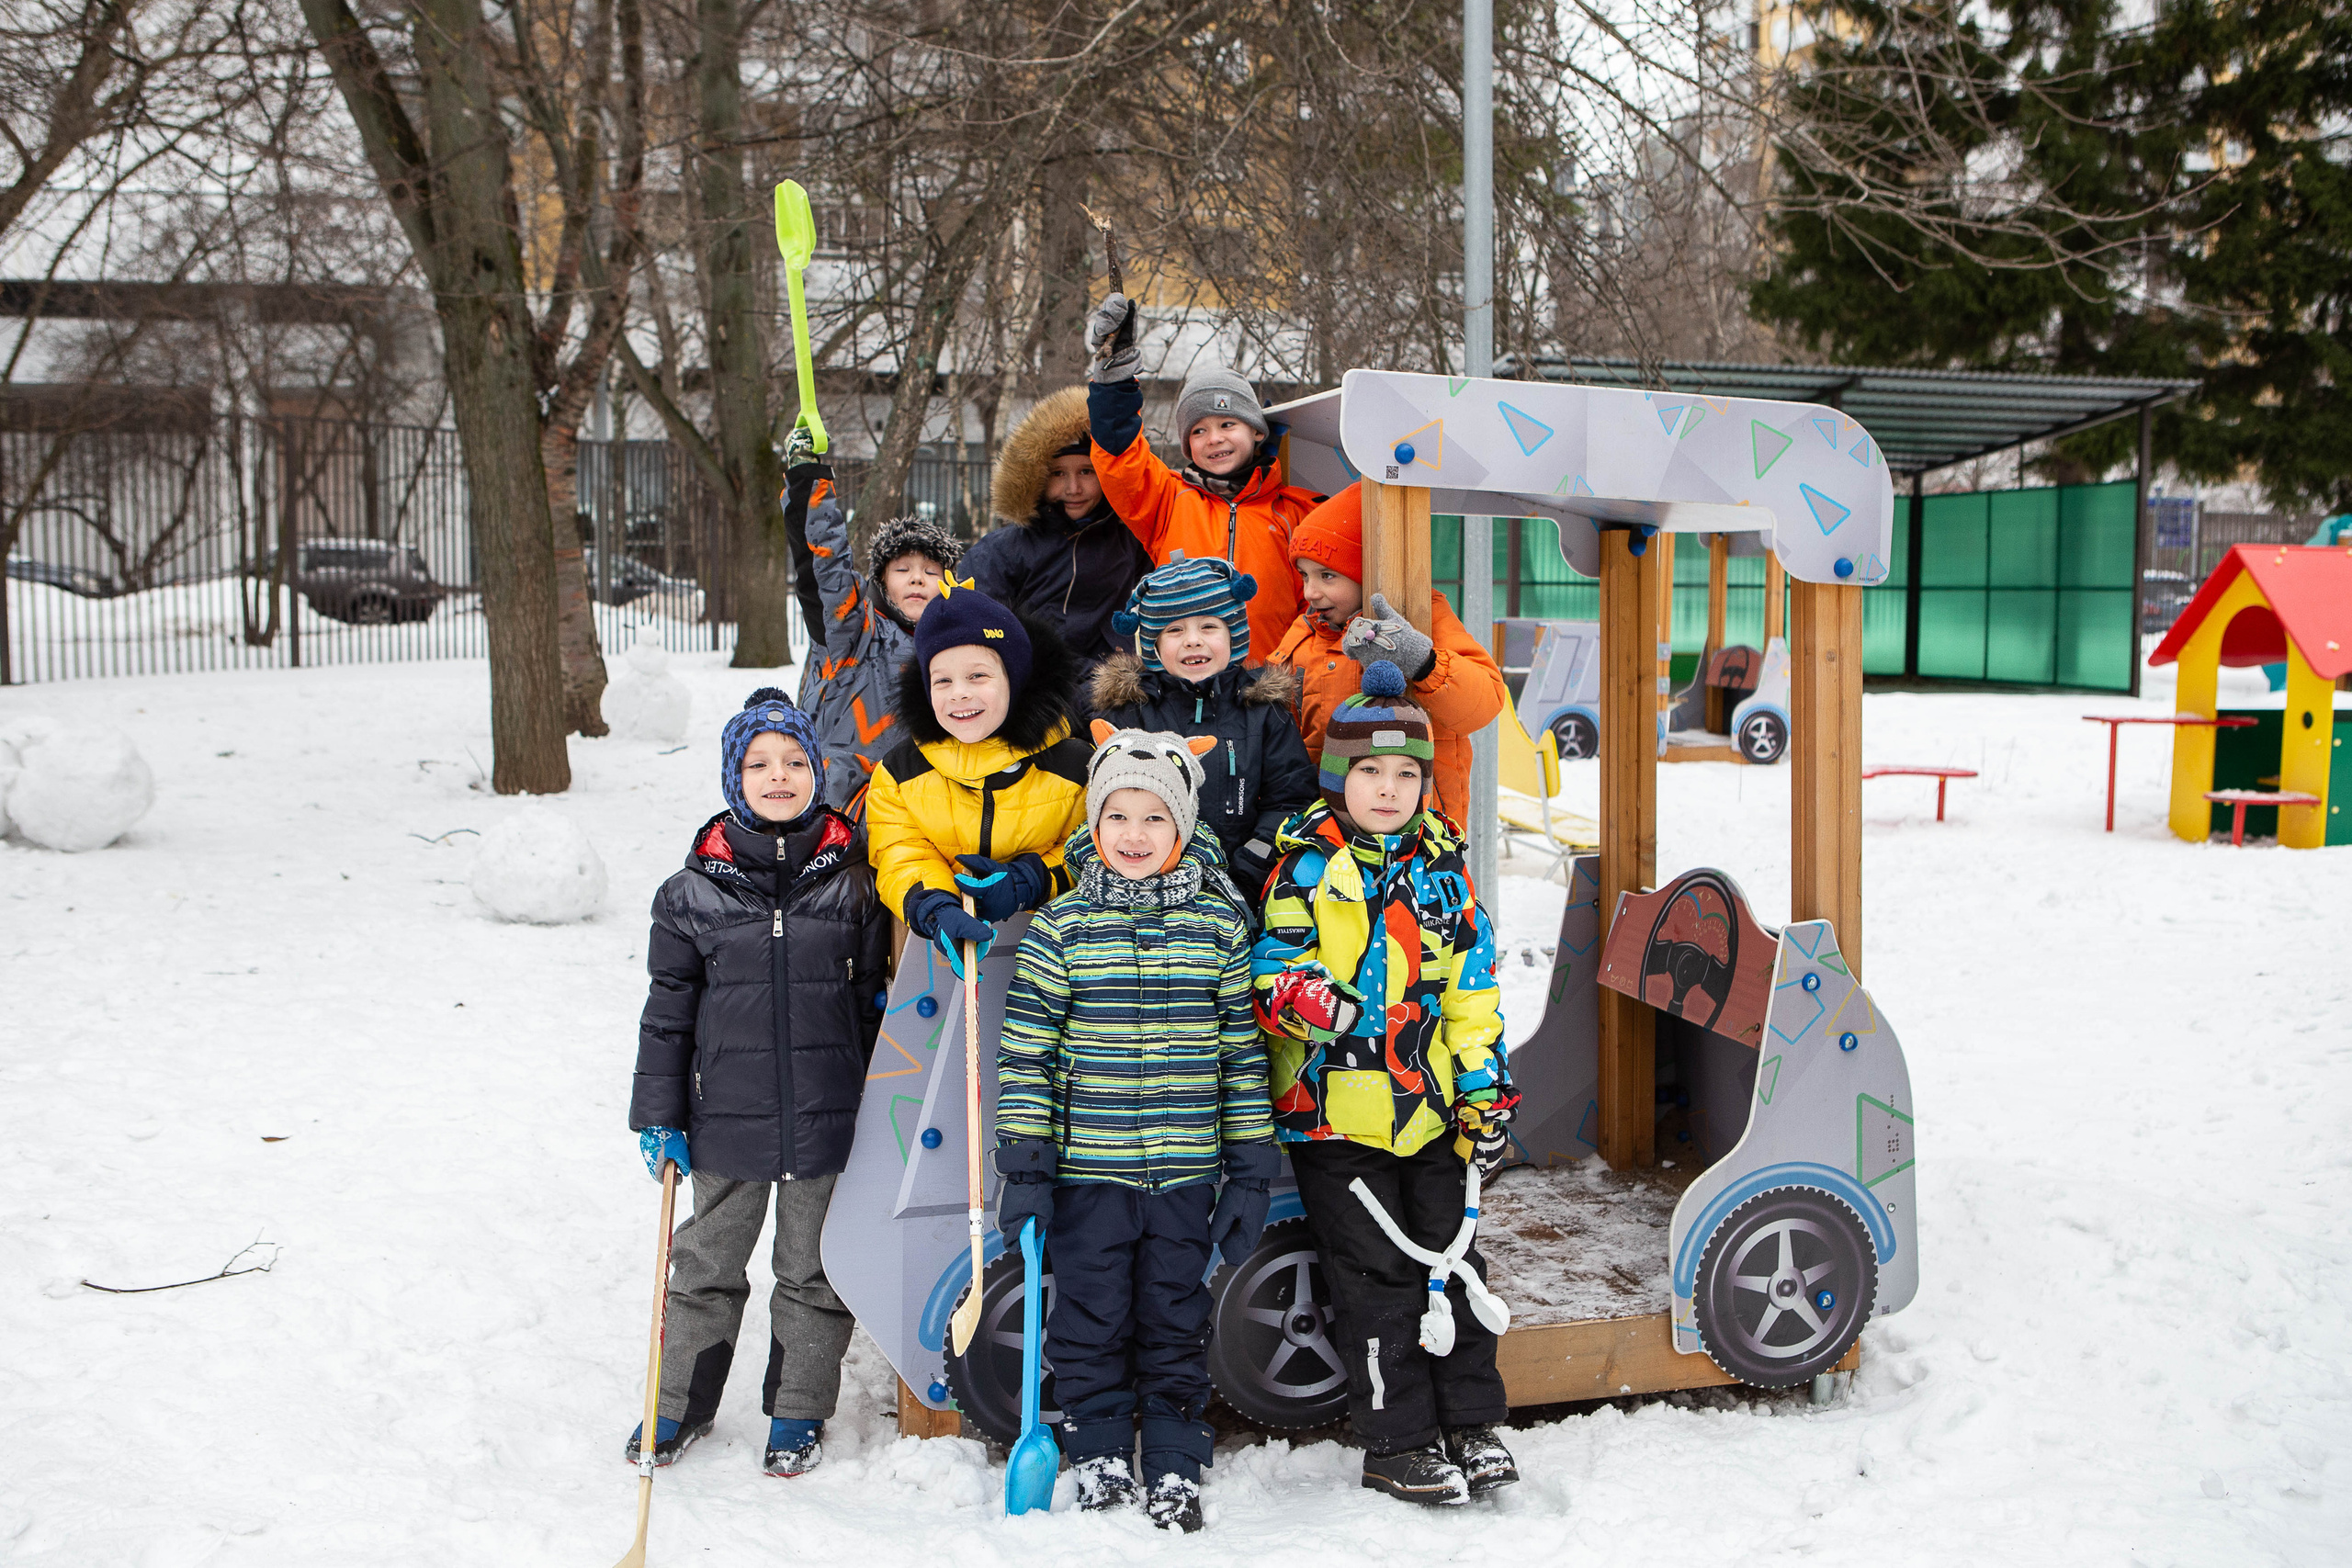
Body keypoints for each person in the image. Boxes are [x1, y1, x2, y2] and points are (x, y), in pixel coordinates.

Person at [994, 724, 1277, 1532]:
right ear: (1092, 823)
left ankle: (1178, 1459)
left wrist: (1251, 1168)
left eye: (1155, 818)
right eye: (1117, 816)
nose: (1134, 835)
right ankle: (1101, 1448)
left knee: (1174, 1317)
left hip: (1187, 1174)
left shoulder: (1219, 930)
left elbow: (1239, 1053)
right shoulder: (1060, 930)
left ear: (1183, 829)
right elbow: (1026, 1060)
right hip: (1092, 1176)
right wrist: (1028, 1170)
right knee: (1090, 1319)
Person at [1251, 662, 1520, 1507]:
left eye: (1408, 773)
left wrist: (1483, 1090)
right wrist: (1305, 996)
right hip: (1336, 1117)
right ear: (1339, 776)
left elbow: (1470, 989)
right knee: (1378, 1279)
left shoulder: (1444, 864)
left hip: (1430, 1113)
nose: (1391, 787)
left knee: (1455, 1264)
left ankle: (1472, 1422)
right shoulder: (1305, 862)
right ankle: (1396, 1439)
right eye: (1370, 770)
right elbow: (1271, 964)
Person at [626, 689, 893, 1478]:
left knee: (811, 1267)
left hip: (826, 1115)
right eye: (759, 763)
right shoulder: (691, 893)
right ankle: (676, 1402)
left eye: (795, 761)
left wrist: (876, 1105)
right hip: (725, 1118)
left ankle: (798, 1409)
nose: (778, 776)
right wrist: (660, 1114)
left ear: (818, 770)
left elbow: (872, 1007)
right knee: (704, 1261)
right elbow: (666, 1015)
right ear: (731, 777)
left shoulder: (854, 884)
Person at [863, 579, 1091, 977]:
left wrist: (1031, 879)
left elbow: (1091, 849)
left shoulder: (1073, 767)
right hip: (937, 956)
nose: (959, 694)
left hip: (1055, 960)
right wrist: (935, 904)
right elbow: (901, 851)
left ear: (1015, 679)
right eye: (943, 681)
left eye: (978, 676)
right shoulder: (900, 773)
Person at [1081, 292, 1316, 660]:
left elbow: (1316, 606)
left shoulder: (1298, 512)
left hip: (1271, 694)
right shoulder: (1167, 500)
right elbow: (1118, 456)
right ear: (1187, 445)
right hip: (1186, 692)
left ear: (1256, 430)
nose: (1215, 439)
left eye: (1227, 424)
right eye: (1199, 431)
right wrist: (1114, 382)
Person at [1270, 481, 1509, 824]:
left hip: (1422, 831)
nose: (1311, 591)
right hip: (1330, 831)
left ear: (1366, 572)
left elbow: (1483, 703)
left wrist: (1423, 662)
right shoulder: (1304, 636)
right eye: (1305, 576)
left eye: (1327, 576)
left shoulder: (1424, 615)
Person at [1087, 553, 1317, 898]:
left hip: (1243, 887)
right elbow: (1102, 804)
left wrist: (1249, 866)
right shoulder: (1129, 715)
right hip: (1147, 888)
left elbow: (1290, 800)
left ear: (1234, 635)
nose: (1193, 640)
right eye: (1174, 630)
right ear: (1154, 647)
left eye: (1209, 626)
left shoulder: (1264, 712)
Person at [785, 433, 964, 809]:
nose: (917, 578)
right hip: (840, 810)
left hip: (923, 815)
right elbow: (825, 568)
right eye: (903, 569)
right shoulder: (853, 632)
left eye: (931, 571)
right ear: (880, 582)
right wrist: (809, 479)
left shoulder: (961, 647)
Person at [961, 386, 1153, 698]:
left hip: (1116, 686)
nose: (1073, 487)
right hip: (1034, 685)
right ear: (1035, 477)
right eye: (1058, 474)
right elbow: (978, 623)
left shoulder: (1132, 541)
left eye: (1086, 472)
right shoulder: (1002, 550)